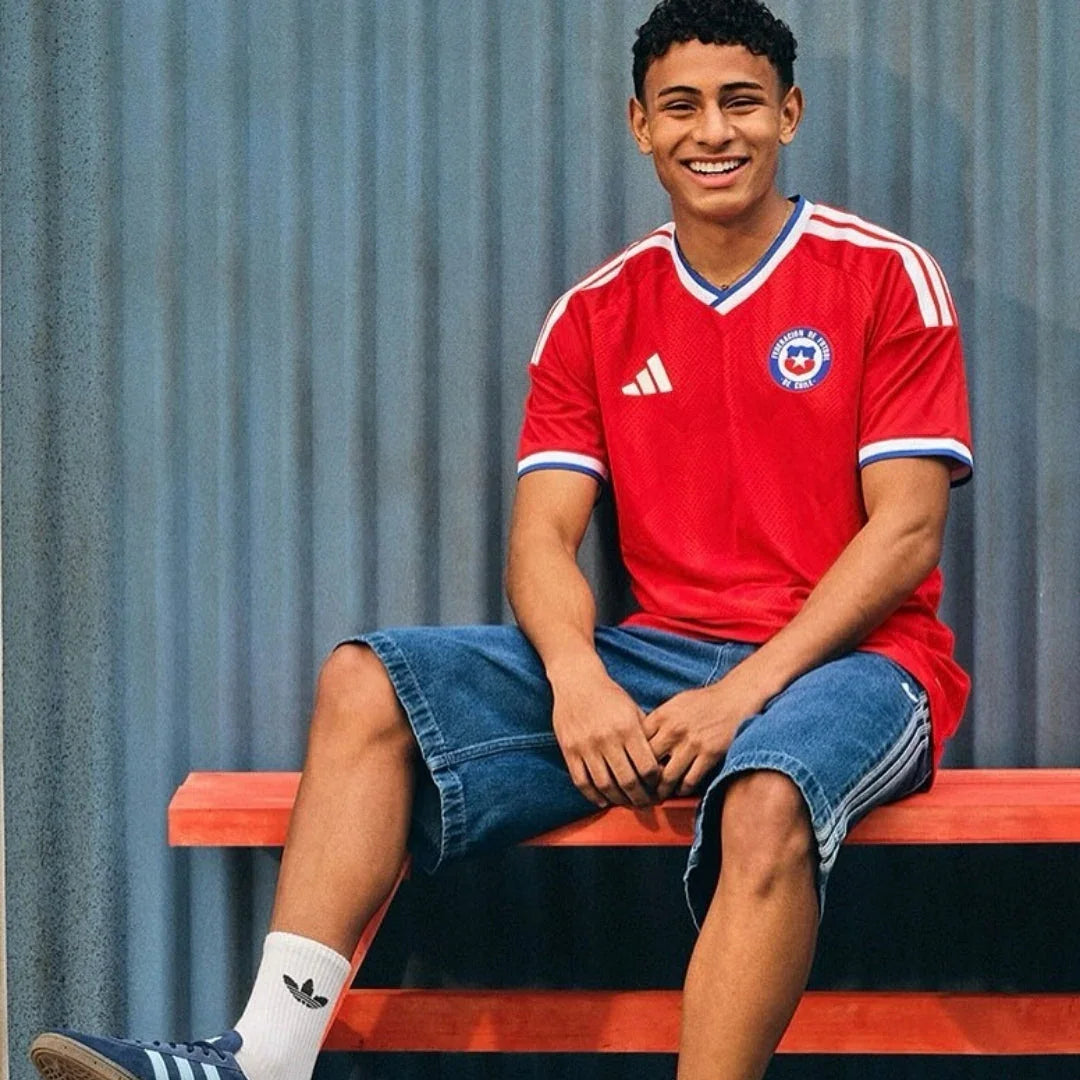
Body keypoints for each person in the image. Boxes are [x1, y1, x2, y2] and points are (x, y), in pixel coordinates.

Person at [30, 1, 973, 1078]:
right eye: (682, 106)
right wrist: (576, 678)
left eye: (741, 102)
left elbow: (905, 532)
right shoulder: (594, 314)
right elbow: (541, 539)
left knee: (763, 799)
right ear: (639, 126)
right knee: (363, 684)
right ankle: (262, 1062)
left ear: (789, 114)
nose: (713, 130)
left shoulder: (883, 275)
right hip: (659, 655)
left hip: (858, 667)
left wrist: (743, 692)